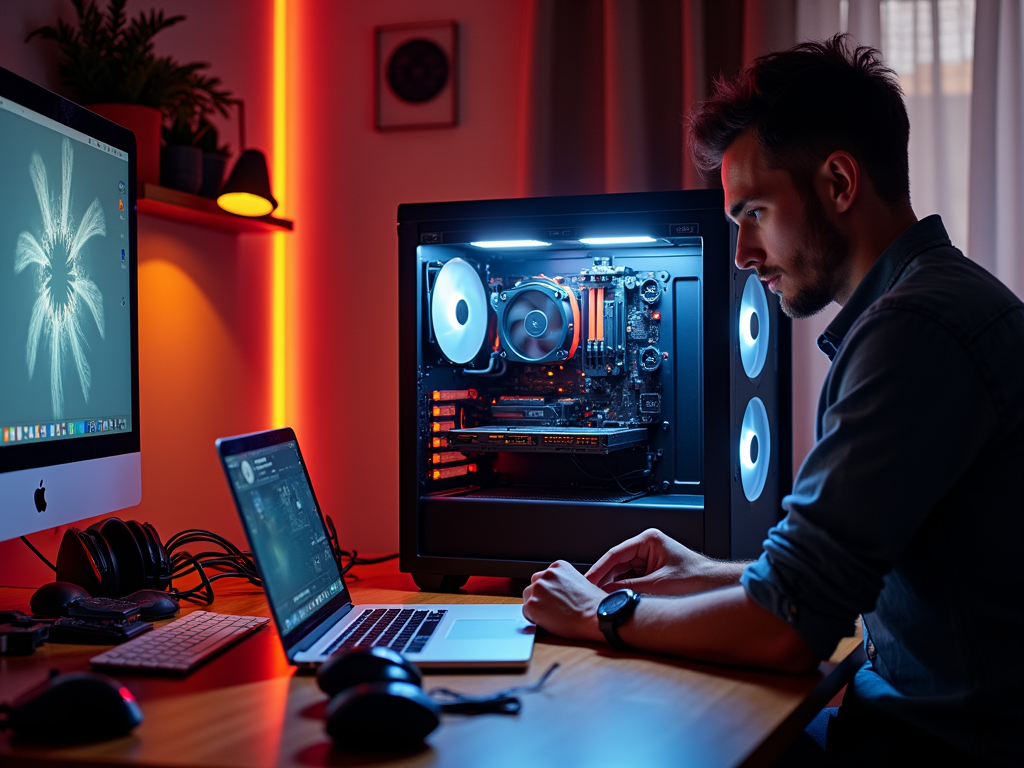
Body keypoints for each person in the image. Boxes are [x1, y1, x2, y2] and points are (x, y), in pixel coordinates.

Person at [522, 34, 1023, 767]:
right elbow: (864, 574)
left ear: (839, 183)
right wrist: (700, 570)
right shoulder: (937, 303)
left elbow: (789, 630)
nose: (742, 256)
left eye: (753, 212)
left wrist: (600, 612)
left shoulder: (914, 332)